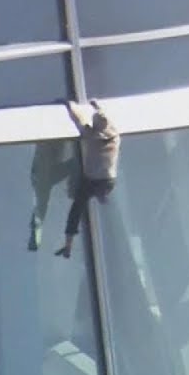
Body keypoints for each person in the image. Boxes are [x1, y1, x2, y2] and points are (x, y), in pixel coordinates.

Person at [54, 98, 120, 259]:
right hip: (108, 181)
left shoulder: (90, 135)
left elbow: (78, 118)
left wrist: (69, 104)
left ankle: (68, 243)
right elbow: (105, 118)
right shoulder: (115, 136)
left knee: (76, 209)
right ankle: (103, 198)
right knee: (82, 202)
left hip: (92, 180)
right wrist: (97, 106)